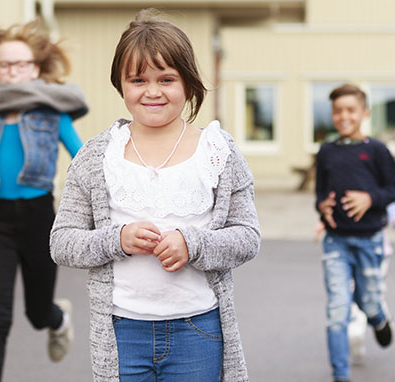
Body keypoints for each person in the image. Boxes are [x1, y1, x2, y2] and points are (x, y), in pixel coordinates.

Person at [49, 9, 259, 381]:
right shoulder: (97, 157)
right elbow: (62, 242)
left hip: (198, 330)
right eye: (138, 79)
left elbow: (247, 236)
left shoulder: (218, 152)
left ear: (188, 83)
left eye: (166, 78)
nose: (152, 91)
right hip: (122, 333)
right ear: (121, 85)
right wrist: (118, 239)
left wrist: (192, 244)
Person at [0, 20, 84, 382]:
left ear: (35, 69)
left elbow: (83, 161)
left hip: (40, 218)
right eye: (3, 65)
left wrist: (75, 209)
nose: (12, 72)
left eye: (21, 65)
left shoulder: (51, 112)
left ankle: (58, 319)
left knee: (36, 314)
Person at [315, 83, 395, 382]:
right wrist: (323, 206)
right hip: (335, 242)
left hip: (370, 240)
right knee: (337, 310)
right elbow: (320, 194)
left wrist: (370, 199)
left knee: (367, 301)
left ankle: (378, 317)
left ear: (365, 112)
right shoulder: (326, 151)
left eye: (351, 110)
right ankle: (341, 374)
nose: (344, 116)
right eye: (338, 111)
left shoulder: (376, 150)